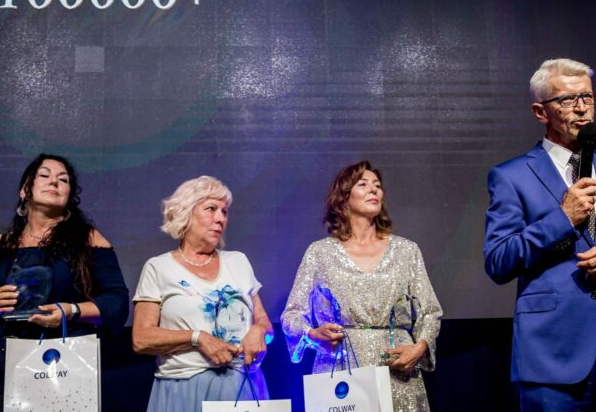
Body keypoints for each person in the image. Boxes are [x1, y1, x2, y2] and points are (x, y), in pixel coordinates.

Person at [483, 58, 596, 410]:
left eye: (588, 97)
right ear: (541, 112)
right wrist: (562, 219)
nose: (582, 108)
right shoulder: (511, 176)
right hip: (551, 355)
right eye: (567, 99)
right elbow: (498, 261)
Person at [0, 153, 130, 412]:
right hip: (1, 368)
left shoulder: (89, 240)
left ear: (69, 195)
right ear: (25, 190)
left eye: (63, 179)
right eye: (44, 175)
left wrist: (69, 311)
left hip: (62, 365)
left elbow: (117, 303)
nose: (54, 182)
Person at [281, 160, 442, 412]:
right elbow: (292, 315)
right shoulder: (320, 253)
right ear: (343, 197)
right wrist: (313, 335)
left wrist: (419, 348)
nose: (373, 189)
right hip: (338, 369)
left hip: (395, 369)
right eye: (363, 184)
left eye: (377, 185)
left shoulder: (406, 251)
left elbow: (430, 312)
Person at [132, 176, 272, 411]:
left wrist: (259, 331)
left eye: (224, 212)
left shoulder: (238, 262)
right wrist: (198, 338)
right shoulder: (158, 267)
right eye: (211, 209)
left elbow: (264, 323)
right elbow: (141, 339)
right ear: (185, 213)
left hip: (242, 387)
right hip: (184, 388)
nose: (221, 218)